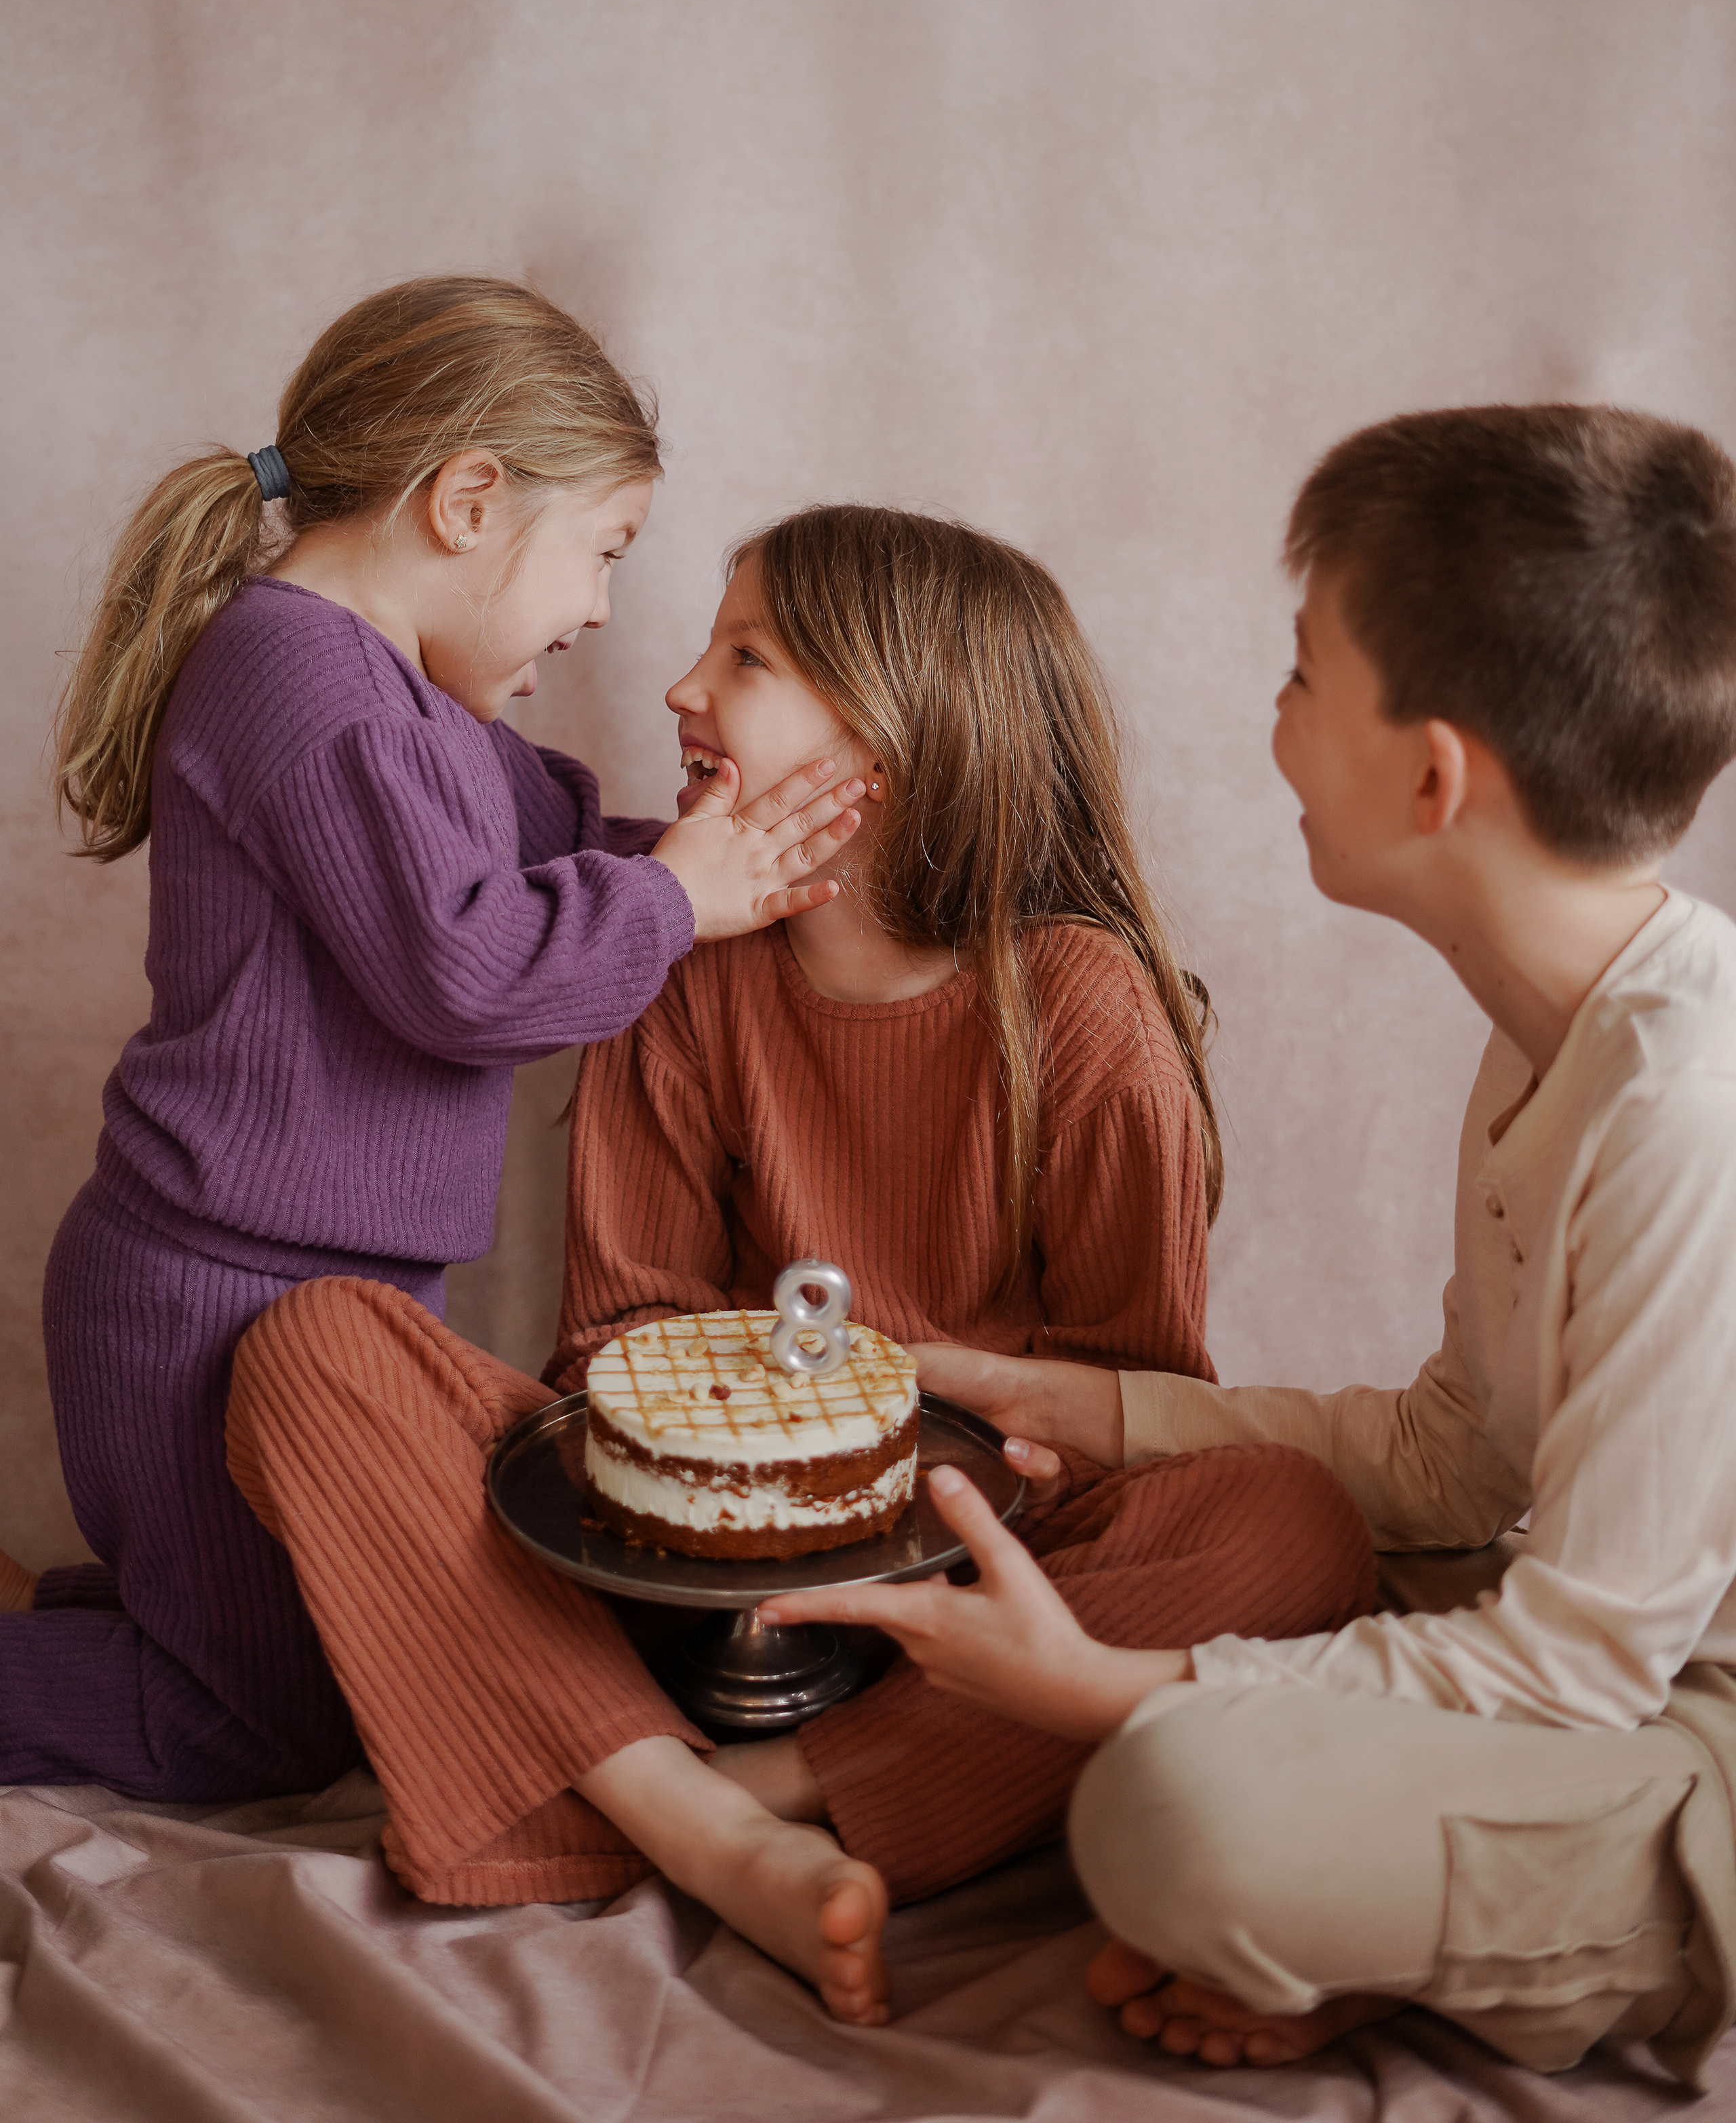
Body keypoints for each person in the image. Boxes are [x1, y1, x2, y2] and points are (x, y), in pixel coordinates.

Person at [224, 505, 1375, 2025]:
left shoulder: (1083, 1015)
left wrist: (925, 1466)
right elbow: (617, 1332)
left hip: (969, 1584)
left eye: (744, 656)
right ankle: (703, 1831)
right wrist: (746, 1477)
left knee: (1291, 1520)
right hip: (687, 1567)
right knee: (315, 1349)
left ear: (885, 749)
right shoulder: (678, 962)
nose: (677, 687)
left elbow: (1135, 1396)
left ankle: (733, 1794)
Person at [777, 405, 1736, 2088]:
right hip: (1586, 1631)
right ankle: (1406, 1922)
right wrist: (1070, 1406)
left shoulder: (1686, 1105)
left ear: (1431, 771)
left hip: (1681, 1715)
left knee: (1171, 1809)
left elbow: (1583, 1659)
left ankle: (1556, 1929)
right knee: (1264, 1562)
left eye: (1300, 679)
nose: (1271, 726)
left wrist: (1091, 1692)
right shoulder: (1547, 1032)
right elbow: (1453, 1463)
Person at [3, 275, 866, 1802]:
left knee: (321, 1654)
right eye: (601, 553)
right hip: (211, 1292)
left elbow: (562, 856)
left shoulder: (421, 713)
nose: (601, 611)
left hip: (325, 1293)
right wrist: (678, 903)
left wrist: (738, 869)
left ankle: (50, 1617)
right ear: (467, 501)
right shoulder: (304, 686)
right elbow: (470, 972)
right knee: (247, 1726)